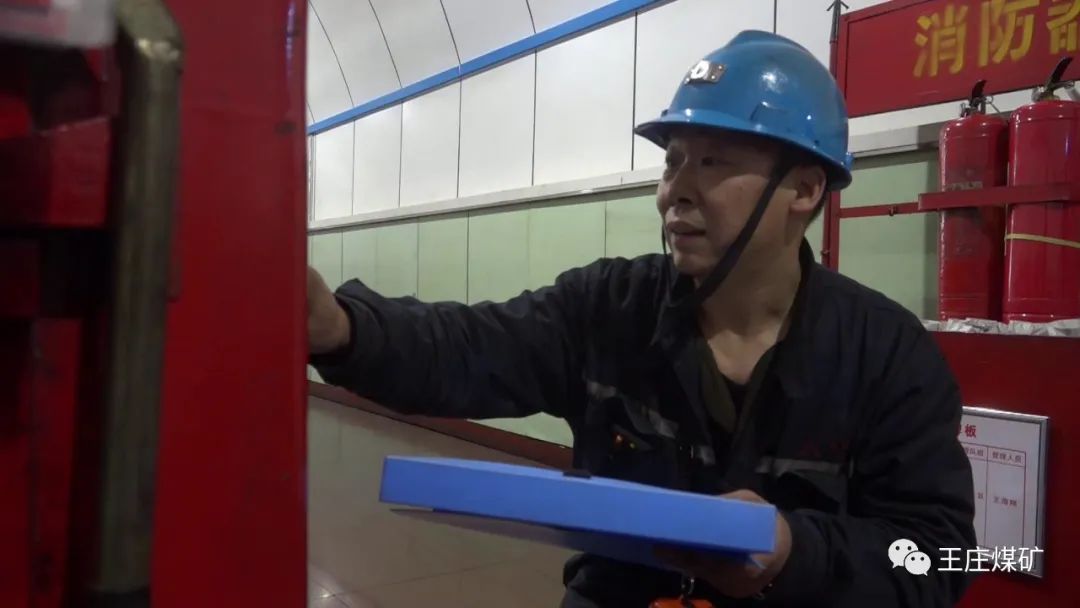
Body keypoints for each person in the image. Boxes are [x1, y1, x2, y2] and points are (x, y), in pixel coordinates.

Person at [307, 30, 977, 607]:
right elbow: (467, 346)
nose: (674, 191)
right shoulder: (609, 310)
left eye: (711, 162)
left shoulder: (886, 355)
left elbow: (936, 560)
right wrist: (340, 328)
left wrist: (793, 553)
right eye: (672, 161)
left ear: (804, 189)